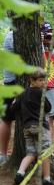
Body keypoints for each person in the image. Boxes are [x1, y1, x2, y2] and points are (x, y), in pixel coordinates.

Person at [10, 68, 54, 185]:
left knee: (31, 152)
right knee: (45, 153)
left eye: (43, 80)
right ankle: (47, 179)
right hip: (40, 127)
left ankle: (20, 173)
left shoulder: (23, 93)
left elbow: (13, 109)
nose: (42, 83)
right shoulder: (40, 93)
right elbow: (48, 107)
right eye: (40, 80)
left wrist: (14, 102)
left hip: (27, 128)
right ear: (32, 80)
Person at [0, 29, 16, 165]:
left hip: (10, 81)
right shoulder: (14, 35)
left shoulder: (10, 35)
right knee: (6, 119)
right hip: (15, 83)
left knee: (6, 119)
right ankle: (3, 154)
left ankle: (3, 154)